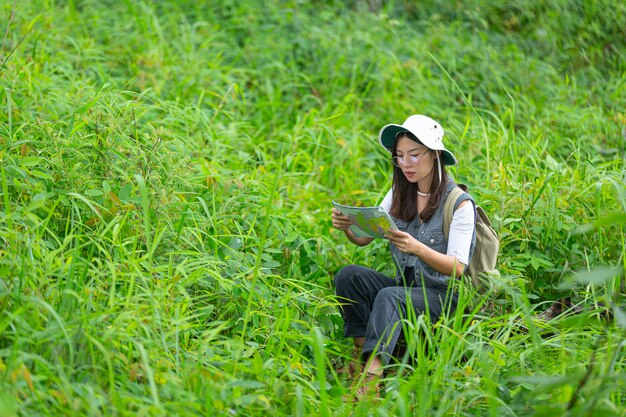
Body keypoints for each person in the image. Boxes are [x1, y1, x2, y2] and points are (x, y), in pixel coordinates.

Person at [331, 114, 476, 401]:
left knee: (389, 296)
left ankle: (370, 382)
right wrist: (348, 226)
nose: (406, 164)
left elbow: (458, 268)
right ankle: (363, 358)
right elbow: (363, 238)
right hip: (407, 290)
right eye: (399, 156)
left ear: (434, 154)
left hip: (444, 298)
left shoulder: (458, 203)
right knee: (349, 276)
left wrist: (417, 247)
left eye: (413, 155)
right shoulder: (399, 192)